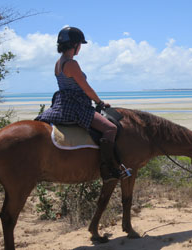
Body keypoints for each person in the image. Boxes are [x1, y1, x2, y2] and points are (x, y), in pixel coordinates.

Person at [36, 26, 125, 182]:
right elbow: (86, 87)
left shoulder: (59, 62)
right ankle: (107, 169)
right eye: (80, 45)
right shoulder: (71, 63)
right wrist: (100, 102)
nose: (80, 48)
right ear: (75, 44)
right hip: (75, 105)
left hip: (62, 102)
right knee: (110, 128)